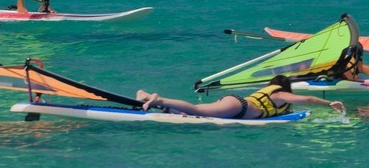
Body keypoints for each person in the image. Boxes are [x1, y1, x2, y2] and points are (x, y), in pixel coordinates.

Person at [136, 75, 344, 119]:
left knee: (191, 113)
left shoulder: (273, 92)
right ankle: (158, 99)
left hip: (235, 104)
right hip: (238, 107)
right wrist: (329, 103)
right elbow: (307, 100)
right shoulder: (281, 94)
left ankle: (146, 97)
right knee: (196, 110)